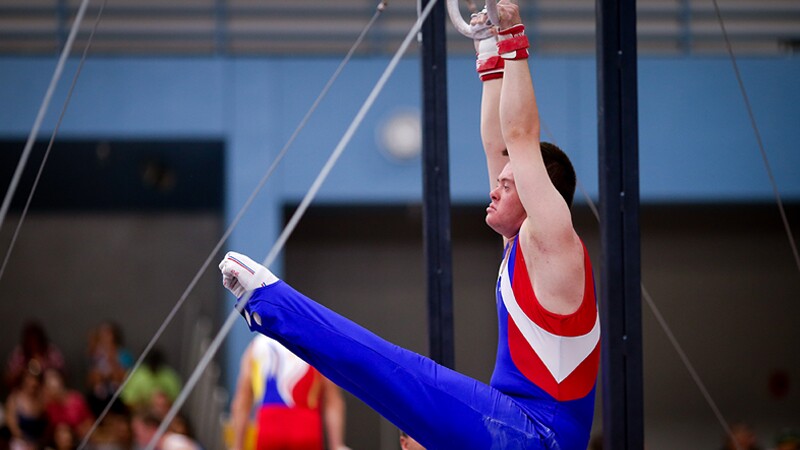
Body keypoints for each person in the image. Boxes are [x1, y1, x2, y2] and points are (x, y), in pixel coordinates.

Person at [218, 1, 599, 448]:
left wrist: (514, 39)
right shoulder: (519, 244)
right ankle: (273, 308)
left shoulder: (553, 239)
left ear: (542, 197)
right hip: (513, 421)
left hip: (541, 434)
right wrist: (489, 55)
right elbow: (500, 144)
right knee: (408, 419)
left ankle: (272, 302)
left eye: (509, 185)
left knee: (398, 374)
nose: (494, 187)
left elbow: (518, 137)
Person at [230, 334, 348, 450]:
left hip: (269, 432)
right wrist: (337, 445)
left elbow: (242, 400)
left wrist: (237, 445)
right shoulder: (315, 347)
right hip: (306, 432)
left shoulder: (257, 346)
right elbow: (332, 400)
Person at [5, 321, 65, 392]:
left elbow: (63, 374)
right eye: (30, 342)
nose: (33, 345)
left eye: (36, 341)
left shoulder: (50, 353)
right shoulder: (19, 354)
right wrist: (21, 373)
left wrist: (47, 372)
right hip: (24, 393)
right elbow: (8, 379)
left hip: (48, 393)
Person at [120, 348, 182, 414]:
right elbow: (128, 402)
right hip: (140, 414)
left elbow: (176, 402)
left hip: (164, 415)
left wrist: (162, 403)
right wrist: (147, 407)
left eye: (156, 363)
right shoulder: (135, 375)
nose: (153, 366)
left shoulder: (170, 376)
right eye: (152, 363)